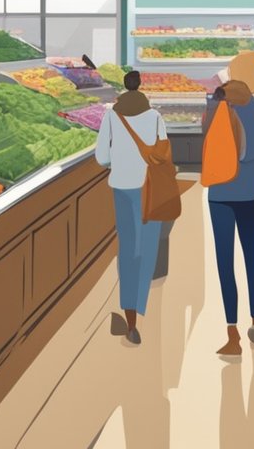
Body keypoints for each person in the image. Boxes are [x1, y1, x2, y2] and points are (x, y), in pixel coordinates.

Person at [94, 69, 168, 346]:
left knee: (128, 250)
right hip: (152, 188)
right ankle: (141, 303)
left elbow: (101, 157)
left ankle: (131, 321)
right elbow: (163, 153)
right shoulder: (155, 116)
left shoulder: (112, 115)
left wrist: (119, 162)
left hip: (124, 188)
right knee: (148, 248)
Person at [208, 79, 254, 358]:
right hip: (252, 195)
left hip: (221, 196)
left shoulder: (219, 114)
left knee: (225, 263)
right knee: (251, 259)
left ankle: (232, 335)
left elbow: (210, 146)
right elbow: (253, 153)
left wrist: (212, 104)